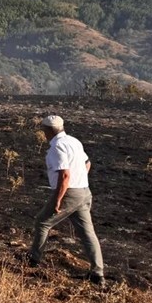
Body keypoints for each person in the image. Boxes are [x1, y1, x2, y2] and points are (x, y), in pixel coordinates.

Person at [29, 114, 105, 288]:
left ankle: (33, 259)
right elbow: (87, 163)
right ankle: (97, 273)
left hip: (69, 193)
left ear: (48, 131)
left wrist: (58, 199)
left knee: (42, 222)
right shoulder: (74, 141)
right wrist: (80, 179)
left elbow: (64, 175)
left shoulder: (57, 147)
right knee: (88, 233)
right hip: (84, 191)